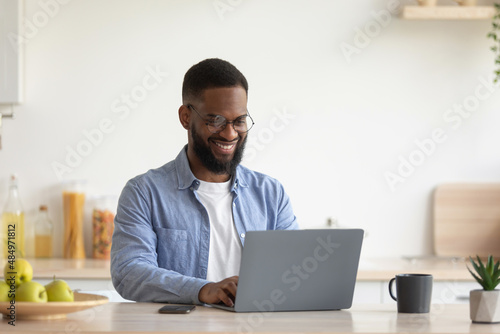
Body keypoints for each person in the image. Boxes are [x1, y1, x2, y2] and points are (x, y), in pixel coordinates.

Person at [110, 58, 298, 306]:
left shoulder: (270, 193)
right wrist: (202, 290)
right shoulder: (145, 192)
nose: (230, 134)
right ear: (186, 117)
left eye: (239, 121)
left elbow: (297, 271)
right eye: (216, 120)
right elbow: (129, 272)